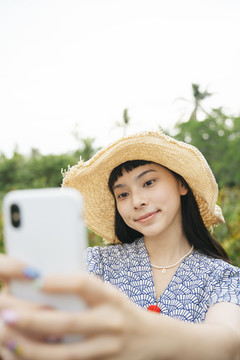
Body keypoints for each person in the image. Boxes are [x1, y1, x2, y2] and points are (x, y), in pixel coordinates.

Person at [0, 130, 240, 359]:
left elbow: (229, 345)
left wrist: (144, 333)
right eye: (122, 194)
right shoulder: (96, 263)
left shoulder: (222, 278)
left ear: (181, 184)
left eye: (149, 182)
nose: (136, 201)